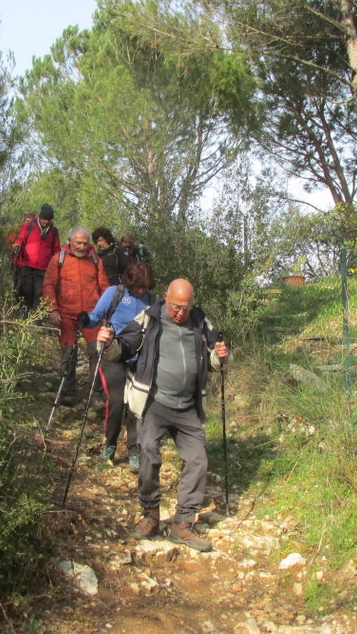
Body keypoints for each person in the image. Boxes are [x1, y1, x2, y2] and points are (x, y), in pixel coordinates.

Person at [98, 279, 231, 552]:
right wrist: (107, 343)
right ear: (165, 297)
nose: (180, 312)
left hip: (188, 406)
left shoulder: (200, 321)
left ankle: (183, 524)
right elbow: (123, 348)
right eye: (175, 306)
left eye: (185, 306)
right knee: (147, 452)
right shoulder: (149, 318)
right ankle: (150, 515)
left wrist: (222, 356)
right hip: (155, 403)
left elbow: (215, 359)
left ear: (192, 303)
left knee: (198, 461)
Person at [80, 262, 155, 470]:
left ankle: (133, 450)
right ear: (129, 281)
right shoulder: (116, 293)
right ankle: (110, 444)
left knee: (135, 405)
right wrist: (86, 320)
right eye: (138, 286)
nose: (141, 290)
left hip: (139, 359)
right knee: (115, 401)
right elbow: (96, 316)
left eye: (145, 287)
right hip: (113, 355)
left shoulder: (150, 300)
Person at [43, 227, 109, 407]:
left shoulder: (96, 260)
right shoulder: (59, 259)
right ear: (69, 241)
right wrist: (52, 309)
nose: (81, 246)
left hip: (92, 314)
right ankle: (68, 392)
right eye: (78, 243)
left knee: (96, 353)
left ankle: (95, 394)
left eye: (85, 243)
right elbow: (49, 285)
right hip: (66, 313)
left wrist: (105, 314)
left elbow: (105, 288)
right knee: (68, 353)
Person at [11, 204, 59, 315]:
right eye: (44, 219)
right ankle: (24, 316)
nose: (46, 222)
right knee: (26, 291)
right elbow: (21, 240)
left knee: (39, 294)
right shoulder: (29, 226)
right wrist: (17, 246)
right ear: (40, 217)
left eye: (48, 220)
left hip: (43, 269)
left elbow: (56, 249)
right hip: (27, 266)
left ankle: (35, 319)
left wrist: (56, 264)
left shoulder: (54, 231)